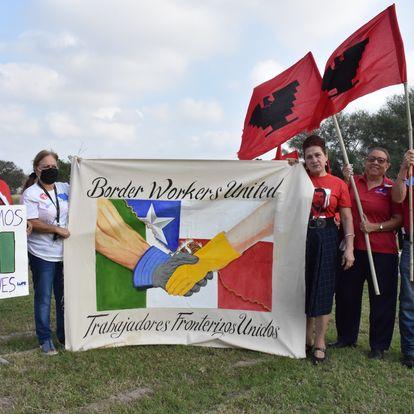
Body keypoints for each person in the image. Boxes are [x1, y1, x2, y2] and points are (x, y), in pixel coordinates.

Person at [333, 148, 402, 360]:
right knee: (347, 295)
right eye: (371, 159)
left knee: (382, 298)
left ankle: (379, 345)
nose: (375, 163)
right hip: (352, 249)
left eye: (381, 160)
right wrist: (345, 180)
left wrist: (375, 227)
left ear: (387, 166)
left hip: (382, 252)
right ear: (365, 161)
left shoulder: (392, 187)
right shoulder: (352, 183)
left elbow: (399, 218)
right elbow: (340, 206)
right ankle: (346, 337)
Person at [302, 135, 354, 364]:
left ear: (325, 158)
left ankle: (320, 341)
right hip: (301, 236)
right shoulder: (299, 179)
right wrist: (290, 166)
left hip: (327, 237)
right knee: (303, 286)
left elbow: (346, 216)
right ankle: (305, 338)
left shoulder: (338, 184)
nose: (313, 159)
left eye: (317, 155)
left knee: (323, 289)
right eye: (309, 156)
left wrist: (349, 247)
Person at [21, 150, 70, 355]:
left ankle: (63, 334)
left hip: (65, 253)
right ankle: (45, 339)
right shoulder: (30, 193)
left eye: (53, 166)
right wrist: (56, 229)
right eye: (45, 167)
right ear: (36, 170)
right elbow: (32, 222)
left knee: (63, 297)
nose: (50, 170)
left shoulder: (65, 187)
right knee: (43, 297)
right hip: (41, 254)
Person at [391, 149, 414, 369]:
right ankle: (410, 351)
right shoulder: (410, 170)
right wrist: (403, 168)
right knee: (409, 301)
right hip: (411, 244)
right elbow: (398, 197)